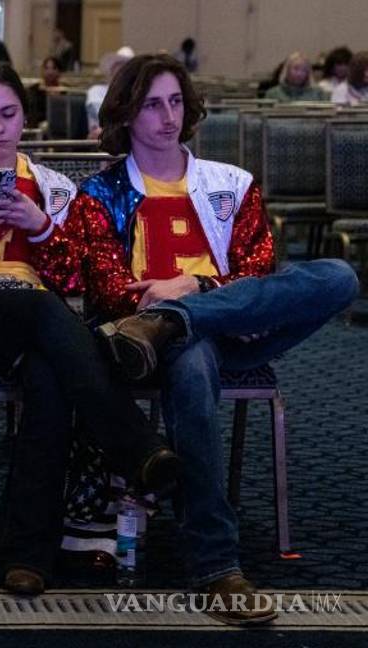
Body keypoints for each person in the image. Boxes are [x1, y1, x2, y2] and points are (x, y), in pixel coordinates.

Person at [72, 53, 359, 625]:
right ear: (125, 113)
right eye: (152, 105)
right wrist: (209, 302)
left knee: (338, 276)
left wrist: (196, 289)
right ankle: (216, 565)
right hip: (149, 346)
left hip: (239, 331)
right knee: (192, 358)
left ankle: (182, 316)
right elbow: (110, 293)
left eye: (176, 102)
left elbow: (258, 268)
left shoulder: (231, 183)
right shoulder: (99, 195)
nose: (168, 117)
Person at [0, 61, 181, 596]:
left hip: (35, 324)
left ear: (24, 118)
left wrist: (42, 230)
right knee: (42, 312)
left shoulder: (53, 188)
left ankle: (26, 555)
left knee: (49, 375)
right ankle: (136, 444)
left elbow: (79, 277)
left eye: (8, 114)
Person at [86, 46, 134, 137]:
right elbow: (105, 118)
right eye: (119, 67)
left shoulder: (137, 94)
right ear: (111, 70)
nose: (121, 73)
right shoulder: (96, 91)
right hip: (101, 141)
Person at [26, 56, 63, 127]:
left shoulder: (65, 91)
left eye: (54, 68)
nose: (50, 72)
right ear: (42, 71)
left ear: (59, 71)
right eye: (46, 68)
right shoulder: (33, 90)